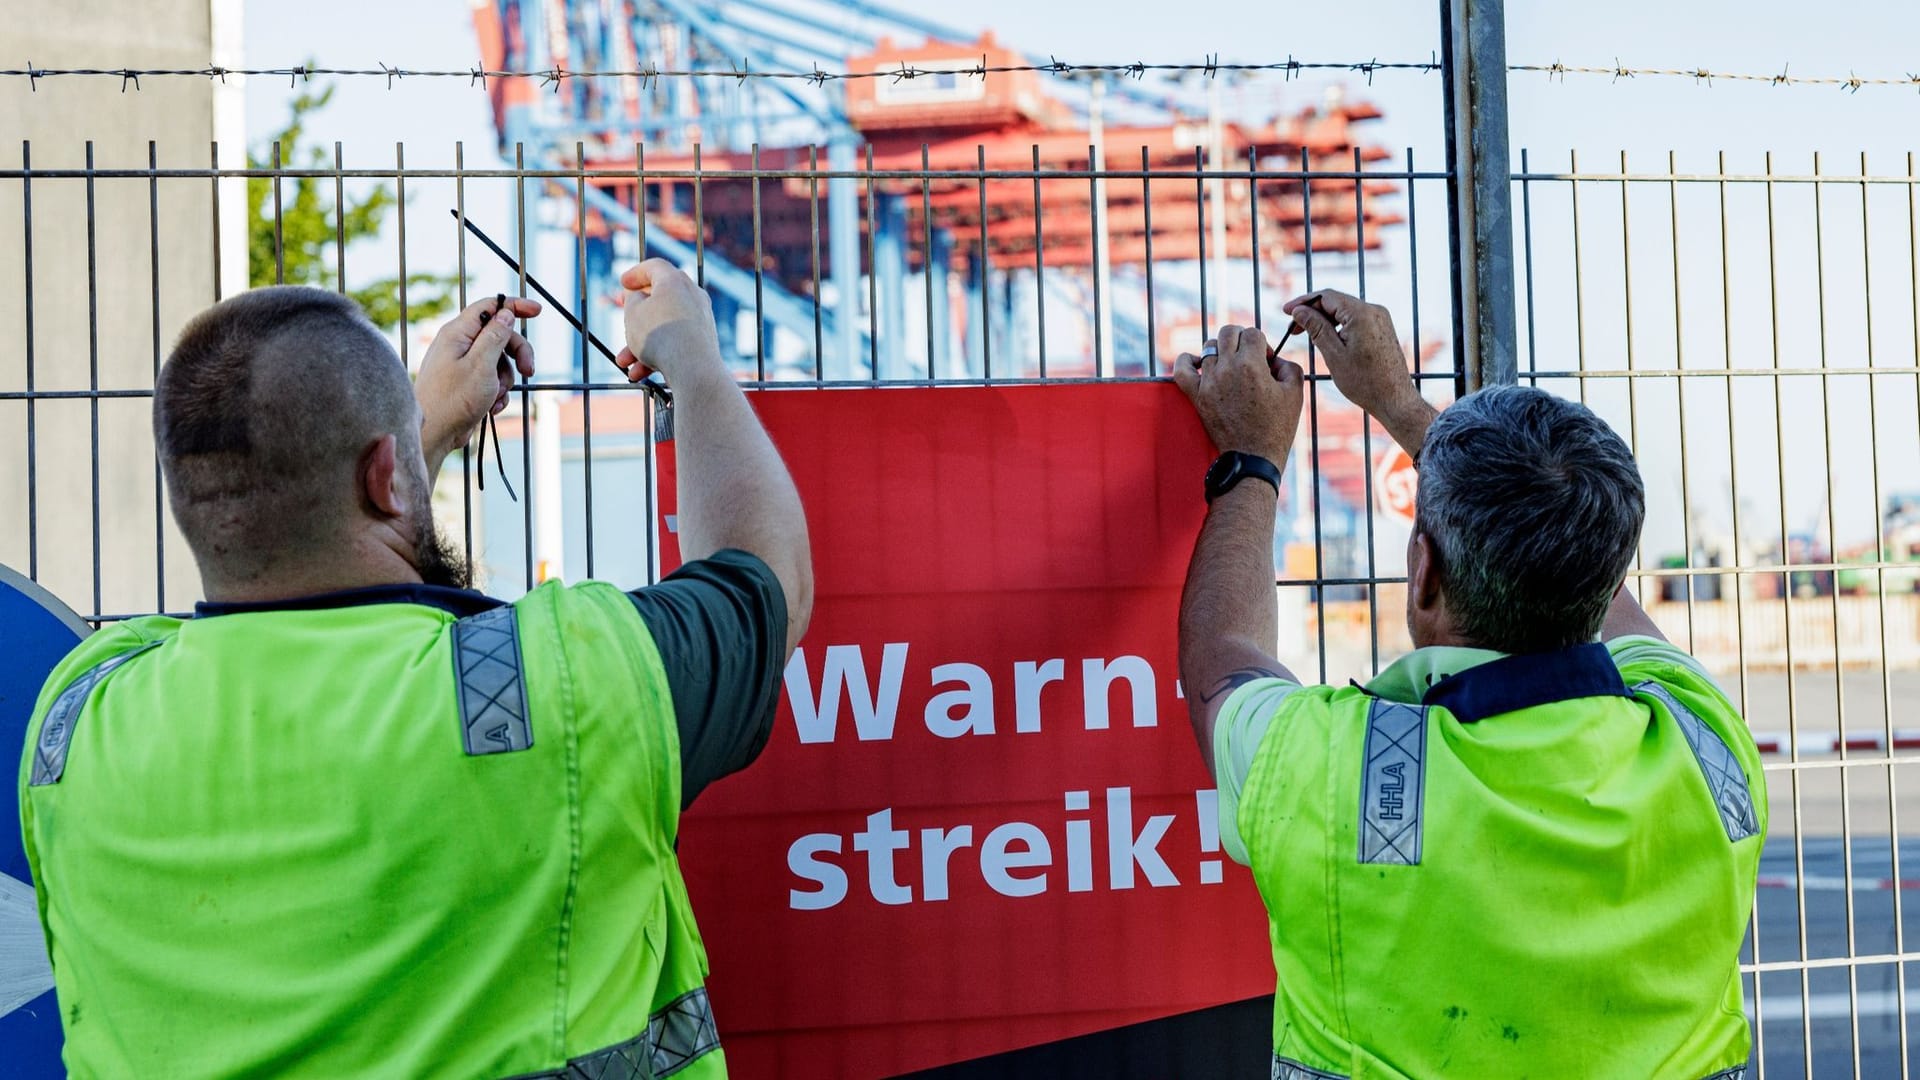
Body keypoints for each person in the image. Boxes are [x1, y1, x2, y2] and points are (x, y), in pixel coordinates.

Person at [18, 260, 810, 1078]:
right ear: (384, 477)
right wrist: (694, 361)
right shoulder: (563, 687)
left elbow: (302, 562)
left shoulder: (77, 725)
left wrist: (410, 436)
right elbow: (766, 577)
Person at [1173, 290, 1764, 1080]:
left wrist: (1253, 460)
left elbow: (1222, 655)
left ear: (1423, 576)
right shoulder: (1707, 746)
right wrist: (1403, 407)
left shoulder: (1332, 770)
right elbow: (1599, 588)